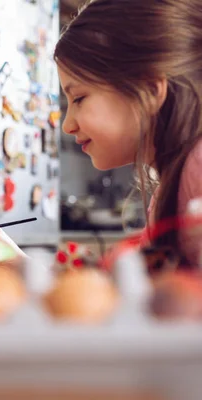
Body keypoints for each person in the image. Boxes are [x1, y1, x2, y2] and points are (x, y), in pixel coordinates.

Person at [54, 0, 202, 266]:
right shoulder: (170, 189)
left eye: (79, 98)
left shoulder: (197, 168)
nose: (67, 125)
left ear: (150, 90)